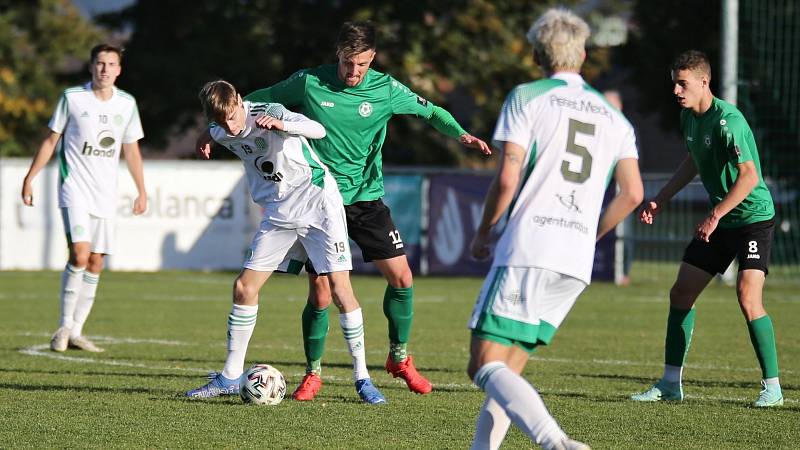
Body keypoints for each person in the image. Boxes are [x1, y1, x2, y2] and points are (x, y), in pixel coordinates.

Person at [199, 20, 491, 401]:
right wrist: (217, 124)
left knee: (401, 278)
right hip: (313, 194)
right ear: (338, 53)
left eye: (362, 65)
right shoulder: (309, 82)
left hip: (364, 196)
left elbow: (431, 111)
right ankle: (313, 373)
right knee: (320, 293)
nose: (354, 72)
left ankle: (398, 358)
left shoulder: (386, 89)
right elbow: (255, 98)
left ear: (373, 59)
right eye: (348, 62)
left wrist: (461, 134)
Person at [467, 8, 643, 450]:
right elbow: (633, 194)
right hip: (575, 260)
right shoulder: (615, 118)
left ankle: (556, 442)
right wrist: (591, 236)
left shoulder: (527, 97)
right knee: (508, 368)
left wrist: (484, 231)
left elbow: (508, 177)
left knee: (483, 364)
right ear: (582, 53)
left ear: (536, 53)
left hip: (530, 247)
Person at [186, 80, 386, 404]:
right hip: (279, 213)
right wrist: (205, 136)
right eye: (223, 123)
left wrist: (283, 124)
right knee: (243, 288)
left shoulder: (268, 113)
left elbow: (317, 130)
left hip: (318, 203)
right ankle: (229, 376)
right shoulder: (221, 126)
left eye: (234, 117)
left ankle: (363, 378)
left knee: (339, 288)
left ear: (240, 100)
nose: (232, 127)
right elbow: (212, 129)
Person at [631, 50, 783, 407]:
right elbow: (692, 162)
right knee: (681, 293)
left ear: (704, 81)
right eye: (674, 84)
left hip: (752, 218)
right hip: (722, 220)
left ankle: (773, 387)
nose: (676, 91)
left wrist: (714, 214)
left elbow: (749, 177)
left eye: (682, 84)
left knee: (748, 296)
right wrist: (662, 198)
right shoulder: (690, 119)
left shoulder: (728, 120)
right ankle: (670, 384)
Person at [21, 44, 147, 353]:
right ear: (91, 67)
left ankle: (77, 331)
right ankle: (64, 327)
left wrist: (141, 190)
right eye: (99, 63)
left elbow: (131, 149)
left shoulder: (126, 104)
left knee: (95, 262)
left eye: (111, 64)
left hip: (106, 194)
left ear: (119, 70)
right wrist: (29, 177)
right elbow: (52, 140)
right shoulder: (72, 99)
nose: (104, 68)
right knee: (79, 253)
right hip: (74, 187)